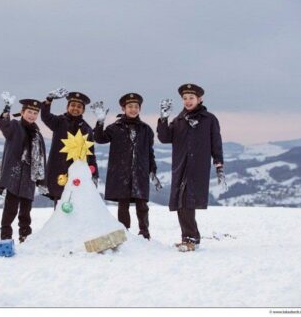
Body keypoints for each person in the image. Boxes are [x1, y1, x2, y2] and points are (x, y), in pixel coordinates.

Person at [156, 83, 227, 252]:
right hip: (180, 166)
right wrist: (163, 119)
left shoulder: (209, 119)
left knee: (188, 202)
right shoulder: (179, 120)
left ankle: (191, 238)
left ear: (199, 99)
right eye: (185, 98)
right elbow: (165, 138)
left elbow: (216, 143)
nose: (188, 101)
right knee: (181, 203)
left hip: (198, 167)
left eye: (191, 98)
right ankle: (189, 237)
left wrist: (219, 165)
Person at [92, 93, 160, 240]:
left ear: (140, 109)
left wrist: (152, 171)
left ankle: (144, 232)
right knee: (123, 205)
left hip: (140, 172)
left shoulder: (146, 129)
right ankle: (124, 232)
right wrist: (100, 122)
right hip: (120, 173)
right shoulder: (115, 127)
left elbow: (150, 152)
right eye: (130, 106)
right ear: (123, 108)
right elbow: (99, 138)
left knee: (142, 205)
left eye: (136, 107)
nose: (133, 109)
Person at [0, 96, 46, 243]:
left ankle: (25, 235)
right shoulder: (14, 126)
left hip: (29, 177)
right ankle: (5, 235)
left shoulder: (37, 134)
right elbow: (3, 124)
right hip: (14, 174)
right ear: (23, 112)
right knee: (10, 209)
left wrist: (42, 181)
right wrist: (6, 109)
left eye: (35, 113)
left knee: (26, 211)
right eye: (29, 112)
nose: (32, 115)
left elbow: (42, 158)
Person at [41, 88, 99, 208]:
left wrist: (94, 174)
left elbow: (91, 154)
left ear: (83, 110)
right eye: (72, 105)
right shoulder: (58, 122)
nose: (75, 108)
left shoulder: (87, 129)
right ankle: (60, 226)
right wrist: (48, 100)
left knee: (77, 204)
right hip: (59, 171)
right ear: (67, 107)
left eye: (79, 106)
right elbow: (45, 116)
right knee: (60, 203)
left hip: (78, 173)